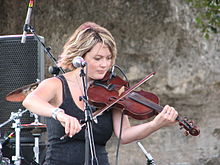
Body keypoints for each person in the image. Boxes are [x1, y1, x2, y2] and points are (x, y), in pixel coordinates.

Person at [22, 22, 178, 165]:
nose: (104, 64)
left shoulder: (114, 90)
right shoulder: (57, 84)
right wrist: (59, 114)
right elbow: (30, 100)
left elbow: (124, 134)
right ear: (80, 57)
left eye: (109, 58)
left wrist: (155, 124)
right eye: (97, 58)